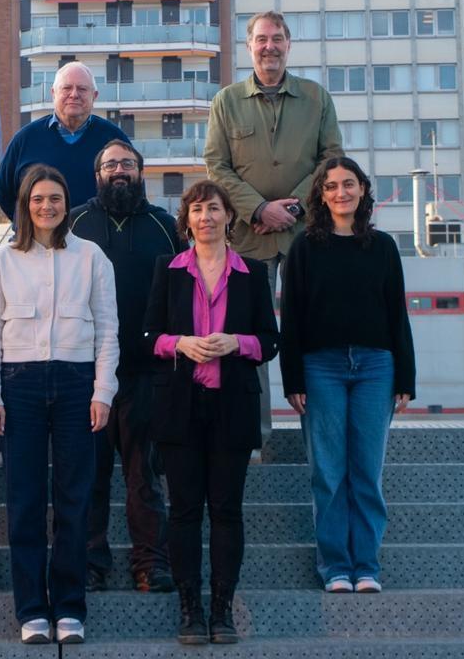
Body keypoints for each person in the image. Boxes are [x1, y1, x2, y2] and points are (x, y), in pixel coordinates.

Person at [0, 163, 119, 646]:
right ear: (24, 203)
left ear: (66, 203)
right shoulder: (0, 261)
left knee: (75, 499)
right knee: (25, 500)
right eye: (38, 198)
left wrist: (103, 391)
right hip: (19, 385)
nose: (46, 206)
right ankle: (32, 609)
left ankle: (70, 607)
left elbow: (108, 330)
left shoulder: (92, 257)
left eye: (55, 198)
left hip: (78, 383)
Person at [142, 180, 280, 646]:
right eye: (197, 209)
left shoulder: (252, 272)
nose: (206, 217)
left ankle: (222, 610)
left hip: (232, 405)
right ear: (187, 219)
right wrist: (180, 343)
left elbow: (270, 342)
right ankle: (190, 609)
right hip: (179, 407)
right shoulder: (168, 269)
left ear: (229, 217)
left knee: (226, 511)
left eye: (214, 209)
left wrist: (237, 343)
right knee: (183, 512)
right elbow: (148, 337)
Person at [204, 11, 342, 455]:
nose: (270, 46)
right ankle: (256, 442)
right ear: (249, 46)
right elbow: (216, 166)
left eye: (277, 38)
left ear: (288, 44)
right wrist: (259, 208)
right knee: (249, 339)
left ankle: (321, 440)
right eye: (262, 39)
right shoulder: (227, 101)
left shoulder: (316, 98)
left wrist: (294, 206)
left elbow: (332, 158)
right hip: (249, 239)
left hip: (308, 237)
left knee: (315, 333)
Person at [281, 156, 416, 594]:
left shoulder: (383, 247)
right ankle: (336, 567)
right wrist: (292, 380)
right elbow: (291, 317)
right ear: (321, 195)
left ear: (362, 190)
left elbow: (397, 314)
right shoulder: (304, 248)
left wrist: (406, 378)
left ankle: (367, 566)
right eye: (332, 186)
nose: (341, 192)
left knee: (367, 471)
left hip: (377, 367)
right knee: (328, 472)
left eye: (349, 184)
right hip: (321, 367)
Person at [69, 140, 178, 594]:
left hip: (145, 372)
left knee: (144, 477)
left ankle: (149, 563)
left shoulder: (166, 225)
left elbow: (180, 295)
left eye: (127, 164)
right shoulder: (74, 222)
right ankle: (91, 562)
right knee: (87, 476)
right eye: (110, 163)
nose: (119, 170)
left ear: (140, 172)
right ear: (97, 173)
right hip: (85, 373)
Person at [0, 61, 130, 221]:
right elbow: (3, 192)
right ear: (53, 93)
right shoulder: (25, 139)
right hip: (39, 235)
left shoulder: (114, 139)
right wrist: (28, 225)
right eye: (67, 88)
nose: (74, 94)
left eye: (82, 89)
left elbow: (133, 189)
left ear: (94, 96)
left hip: (99, 236)